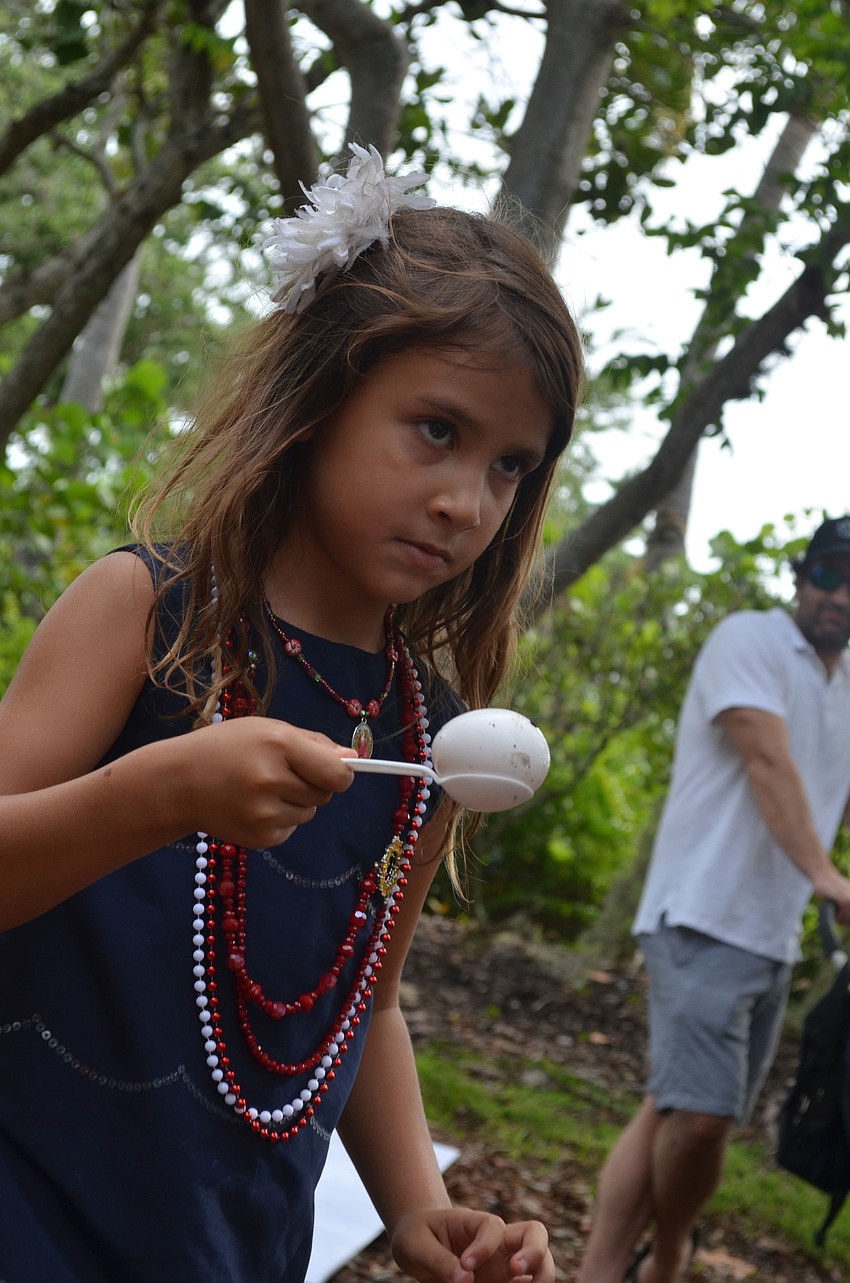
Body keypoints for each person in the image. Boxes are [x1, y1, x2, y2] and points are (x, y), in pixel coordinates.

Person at [0, 144, 584, 1283]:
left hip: (231, 1240)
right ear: (322, 397)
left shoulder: (428, 734)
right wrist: (163, 791)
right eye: (436, 429)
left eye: (510, 466)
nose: (466, 501)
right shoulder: (148, 612)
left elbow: (362, 996)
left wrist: (417, 1204)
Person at [576, 516, 850, 1283]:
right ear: (802, 577)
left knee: (672, 1101)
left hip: (769, 931)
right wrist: (828, 879)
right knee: (702, 1119)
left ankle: (598, 1270)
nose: (839, 593)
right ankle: (668, 1257)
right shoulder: (751, 641)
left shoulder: (847, 687)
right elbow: (767, 759)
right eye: (828, 572)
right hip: (700, 911)